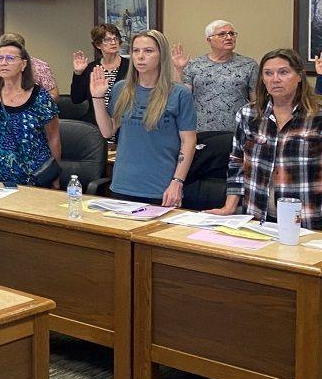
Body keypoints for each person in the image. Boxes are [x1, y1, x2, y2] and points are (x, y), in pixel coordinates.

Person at [210, 48, 322, 228]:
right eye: (268, 73)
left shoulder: (317, 114)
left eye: (283, 72)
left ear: (300, 76)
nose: (275, 79)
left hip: (307, 219)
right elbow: (237, 161)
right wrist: (229, 207)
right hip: (257, 217)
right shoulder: (249, 114)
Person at [89, 30, 196, 205]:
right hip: (123, 183)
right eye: (136, 51)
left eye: (148, 51)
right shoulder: (121, 88)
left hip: (161, 186)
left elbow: (189, 142)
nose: (140, 57)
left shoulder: (178, 93)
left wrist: (177, 182)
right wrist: (97, 97)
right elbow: (108, 131)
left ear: (161, 55)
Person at [0, 39, 62, 187]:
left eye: (10, 58)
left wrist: (56, 176)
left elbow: (54, 138)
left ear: (23, 64)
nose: (3, 63)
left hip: (34, 178)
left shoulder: (41, 97)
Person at [171, 20, 258, 133]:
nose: (229, 37)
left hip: (237, 132)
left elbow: (256, 101)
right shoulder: (195, 65)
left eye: (232, 33)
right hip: (200, 132)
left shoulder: (249, 65)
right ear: (209, 40)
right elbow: (181, 98)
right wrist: (178, 70)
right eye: (222, 34)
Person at [0, 32, 59, 100]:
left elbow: (53, 95)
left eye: (11, 57)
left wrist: (34, 106)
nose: (4, 63)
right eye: (0, 57)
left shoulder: (41, 67)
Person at [70, 23, 130, 105]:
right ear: (98, 45)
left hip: (121, 116)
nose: (113, 42)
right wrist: (78, 74)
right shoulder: (91, 68)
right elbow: (77, 99)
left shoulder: (130, 66)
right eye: (107, 40)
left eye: (116, 38)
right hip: (95, 116)